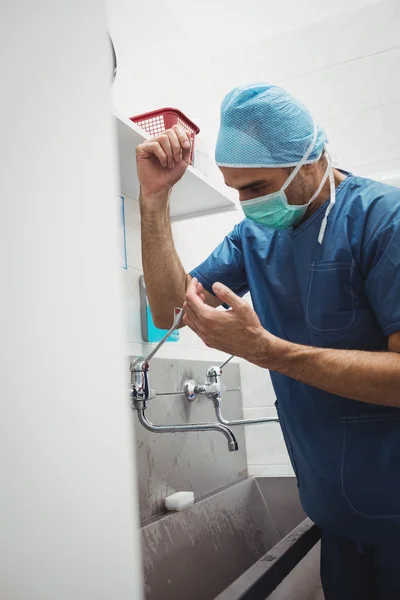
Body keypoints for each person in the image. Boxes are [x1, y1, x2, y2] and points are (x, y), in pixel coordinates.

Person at [136, 83, 400, 600]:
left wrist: (266, 350)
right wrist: (154, 199)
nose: (247, 204)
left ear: (311, 160)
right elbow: (170, 311)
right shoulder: (254, 237)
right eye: (237, 189)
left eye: (258, 187)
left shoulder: (382, 220)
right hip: (334, 514)